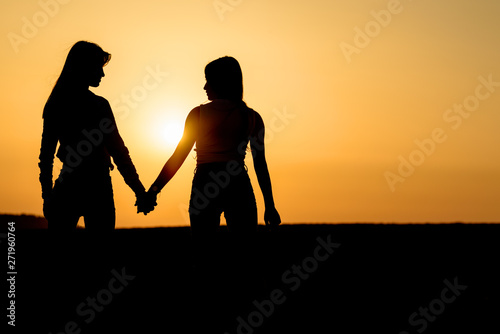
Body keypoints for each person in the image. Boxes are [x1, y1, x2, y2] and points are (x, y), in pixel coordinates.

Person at [140, 55, 280, 263]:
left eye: (208, 80)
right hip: (238, 183)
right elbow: (260, 165)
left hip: (205, 184)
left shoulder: (197, 115)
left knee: (204, 254)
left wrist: (153, 191)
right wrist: (270, 205)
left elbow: (178, 157)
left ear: (219, 82)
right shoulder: (252, 117)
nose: (204, 86)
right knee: (245, 254)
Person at [38, 40, 155, 232]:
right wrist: (140, 191)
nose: (102, 73)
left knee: (59, 258)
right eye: (98, 68)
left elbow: (46, 156)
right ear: (84, 67)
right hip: (96, 190)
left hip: (69, 187)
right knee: (99, 257)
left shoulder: (56, 103)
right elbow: (119, 153)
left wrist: (48, 195)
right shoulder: (98, 106)